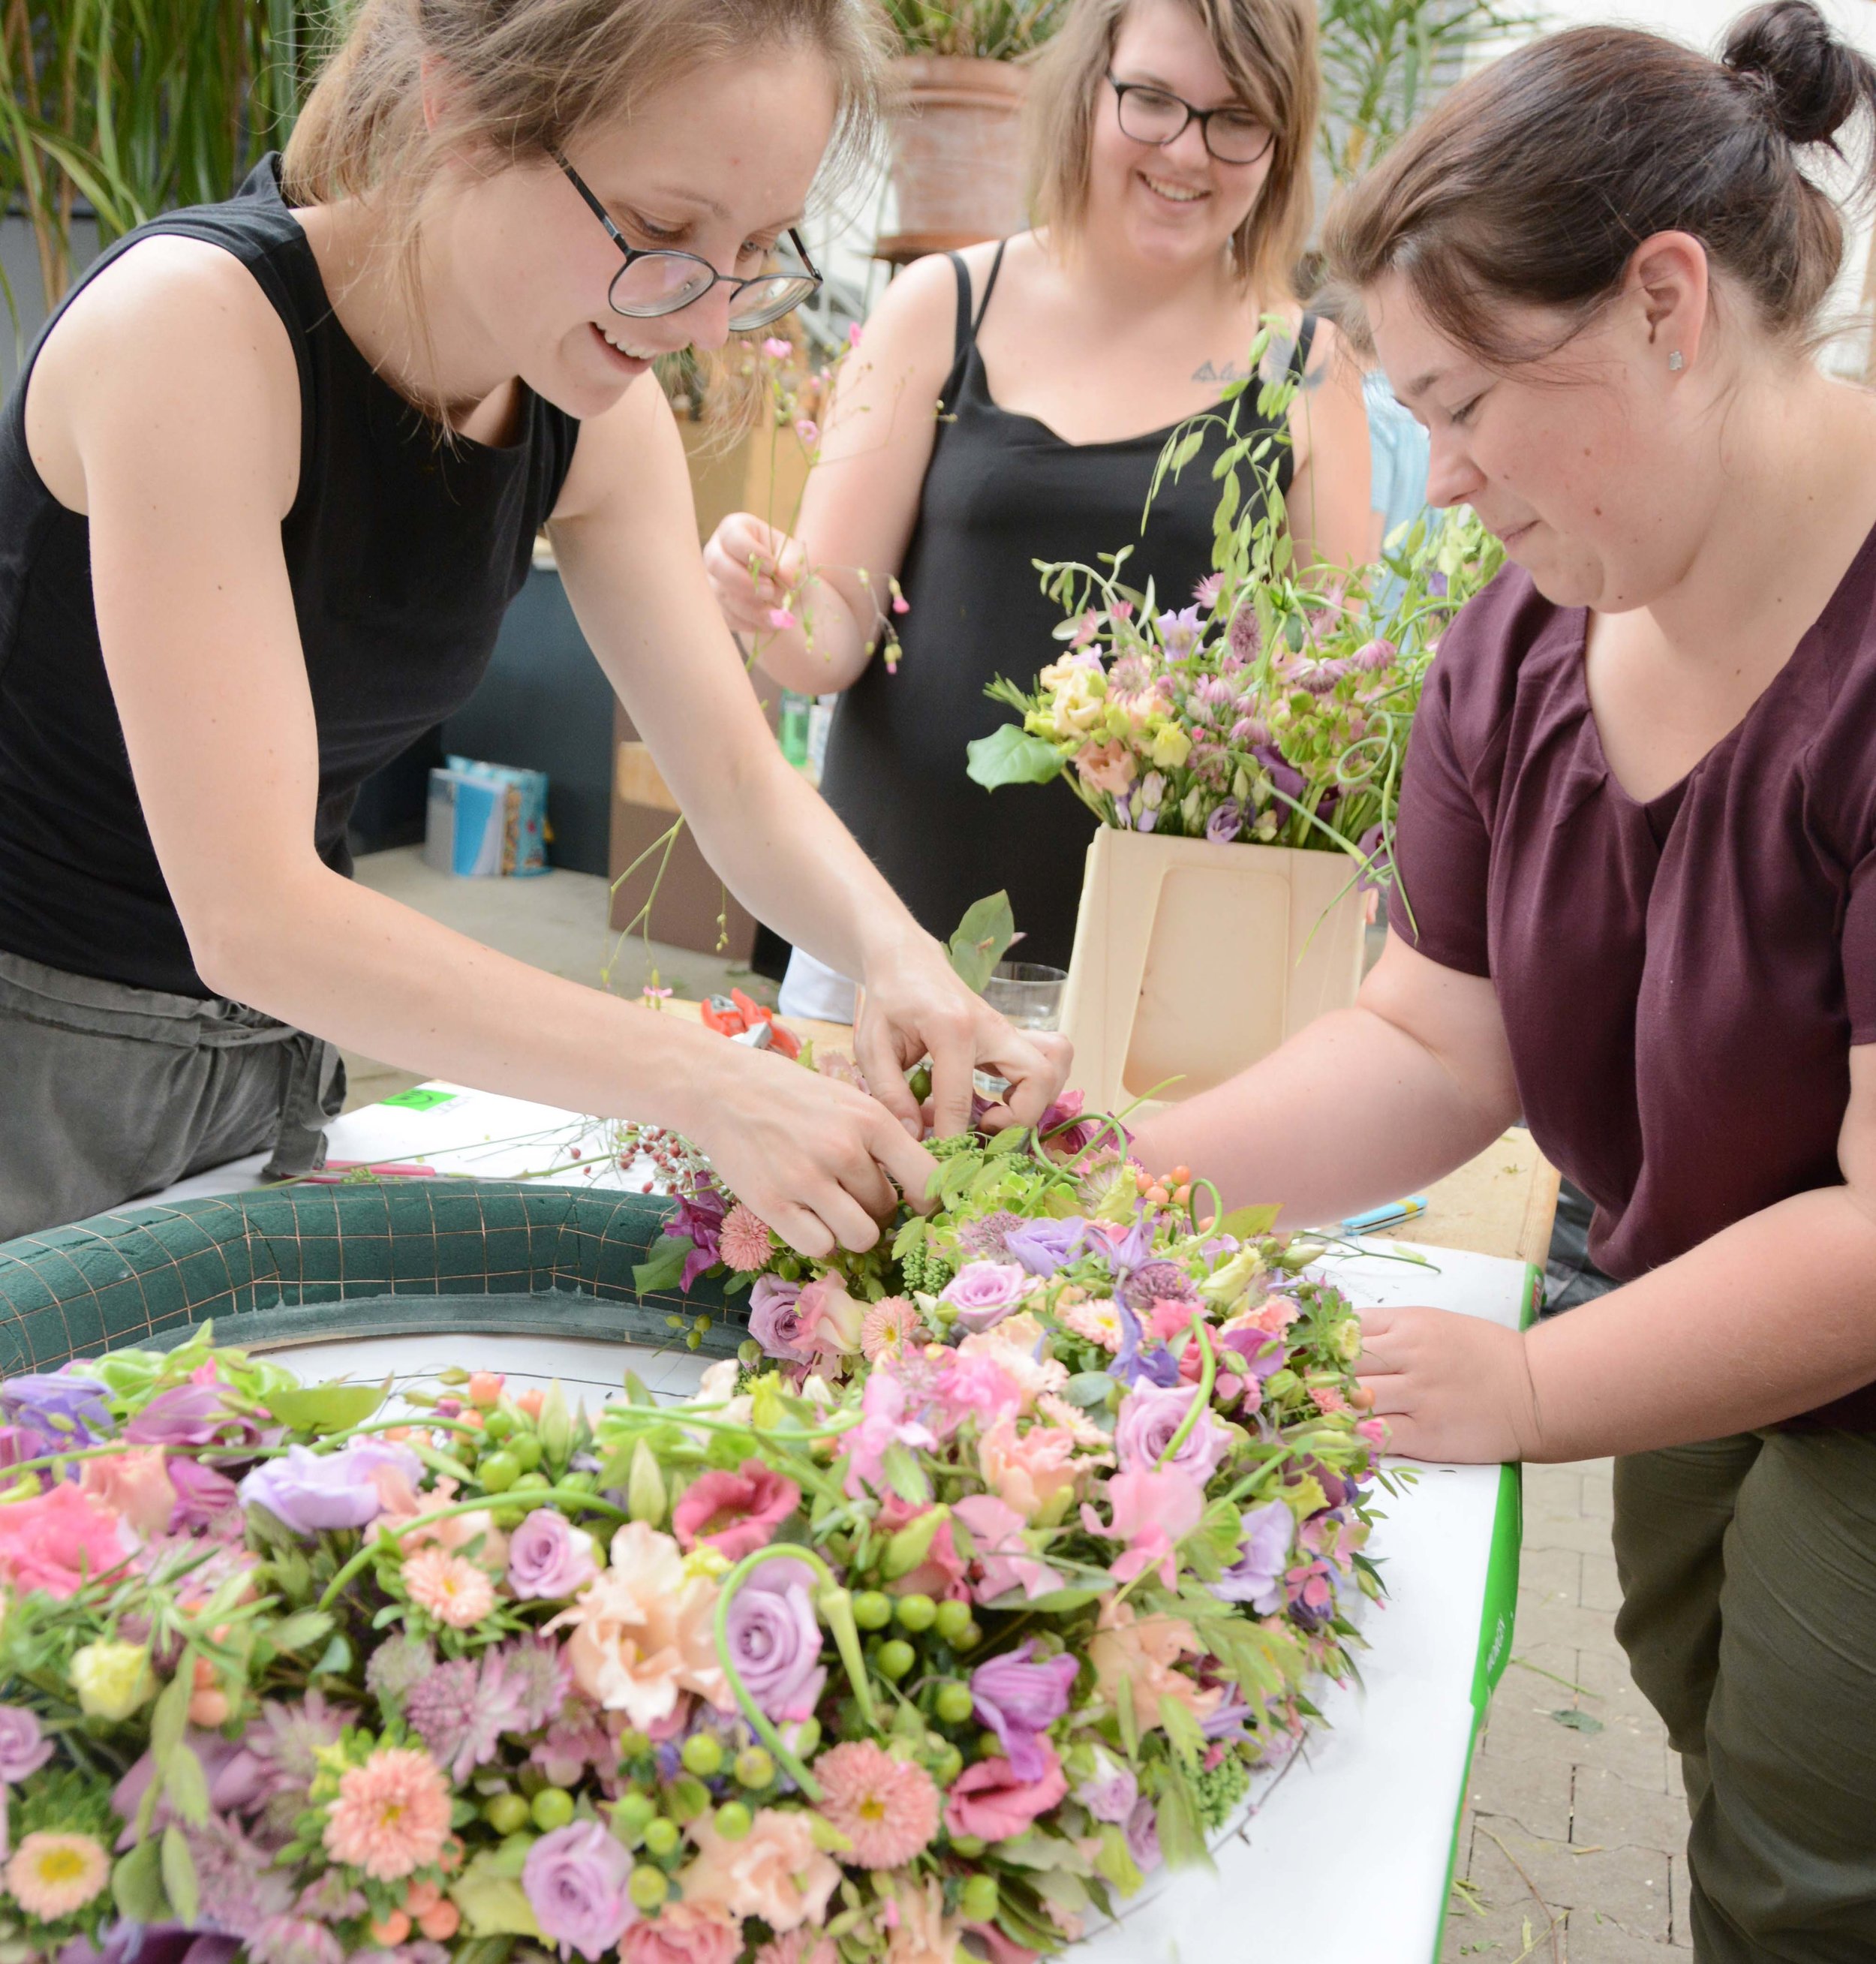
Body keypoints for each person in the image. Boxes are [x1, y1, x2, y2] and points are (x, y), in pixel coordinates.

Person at [1133, 3, 1876, 1953]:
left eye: (1462, 403)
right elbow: (1431, 1034)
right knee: (1730, 1757)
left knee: (1812, 1855)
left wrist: (1534, 1378)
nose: (1438, 482)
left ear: (1661, 307)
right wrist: (1103, 1184)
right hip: (1704, 1294)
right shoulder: (1524, 642)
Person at [0, 0, 1069, 1254]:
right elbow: (255, 916)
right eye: (663, 231)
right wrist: (701, 1077)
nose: (709, 319)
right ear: (457, 101)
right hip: (39, 1061)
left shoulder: (588, 412)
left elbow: (732, 776)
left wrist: (906, 962)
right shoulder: (193, 331)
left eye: (759, 248)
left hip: (275, 1065)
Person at [704, 0, 1371, 1021]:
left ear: (1280, 145)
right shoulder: (941, 307)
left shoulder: (1305, 370)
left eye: (1238, 119)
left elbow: (1329, 709)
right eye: (1152, 101)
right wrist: (771, 594)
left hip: (1153, 980)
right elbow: (828, 645)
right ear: (1088, 91)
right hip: (886, 948)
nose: (1187, 152)